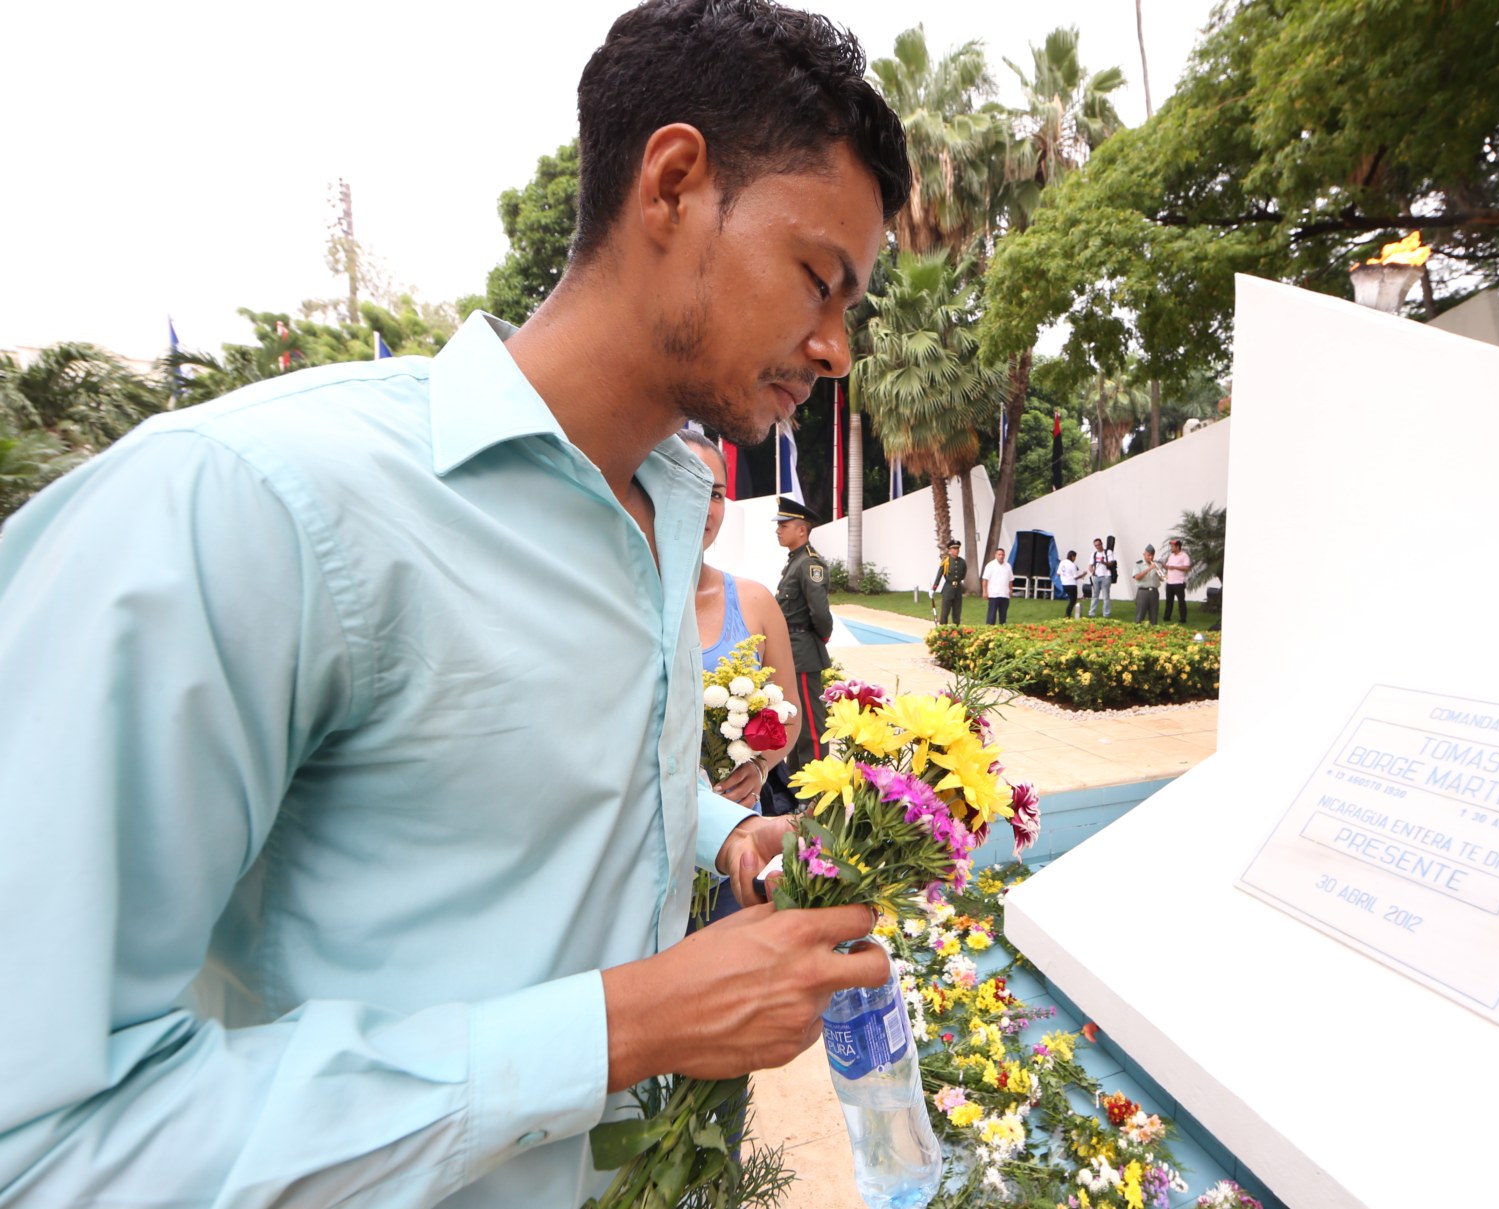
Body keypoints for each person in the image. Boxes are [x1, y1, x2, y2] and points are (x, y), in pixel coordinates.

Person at [0, 3, 909, 1205]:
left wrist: (721, 834)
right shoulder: (249, 504)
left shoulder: (658, 514)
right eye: (818, 280)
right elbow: (45, 1139)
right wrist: (622, 1029)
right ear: (673, 185)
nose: (835, 347)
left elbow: (556, 789)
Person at [680, 429, 799, 812]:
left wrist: (760, 767)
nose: (705, 506)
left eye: (715, 494)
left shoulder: (755, 602)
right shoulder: (620, 602)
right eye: (688, 483)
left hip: (736, 825)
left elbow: (790, 715)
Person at [776, 496, 834, 774]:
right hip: (793, 650)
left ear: (802, 530)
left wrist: (821, 638)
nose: (778, 530)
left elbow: (820, 614)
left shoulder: (810, 564)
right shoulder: (796, 561)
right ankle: (796, 783)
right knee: (794, 721)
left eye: (784, 525)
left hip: (803, 652)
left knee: (810, 724)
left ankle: (817, 787)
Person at [932, 538, 967, 625]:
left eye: (957, 548)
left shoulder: (962, 562)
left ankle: (956, 629)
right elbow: (939, 575)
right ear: (949, 550)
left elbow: (963, 575)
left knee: (957, 613)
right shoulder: (946, 561)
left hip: (958, 590)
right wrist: (934, 588)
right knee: (945, 613)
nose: (956, 550)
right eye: (954, 548)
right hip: (948, 589)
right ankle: (943, 629)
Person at [1162, 536, 1193, 622]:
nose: (1171, 548)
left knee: (1181, 601)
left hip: (1179, 582)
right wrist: (1163, 564)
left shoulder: (1184, 556)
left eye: (1172, 546)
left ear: (1178, 547)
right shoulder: (1171, 556)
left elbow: (1187, 568)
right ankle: (1167, 617)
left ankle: (1183, 618)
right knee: (1169, 600)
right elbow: (1168, 567)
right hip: (1169, 582)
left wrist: (1175, 567)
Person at [982, 546, 1014, 624]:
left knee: (1003, 615)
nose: (1001, 556)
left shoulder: (1008, 566)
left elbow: (1010, 580)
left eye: (1002, 554)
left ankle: (1002, 627)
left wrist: (1010, 590)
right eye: (999, 554)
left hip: (1004, 594)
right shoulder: (990, 565)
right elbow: (985, 579)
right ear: (995, 555)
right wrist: (984, 592)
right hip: (994, 594)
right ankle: (990, 628)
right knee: (992, 615)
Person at [1131, 543, 1162, 624]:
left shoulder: (1157, 564)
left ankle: (1153, 629)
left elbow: (1162, 578)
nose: (1150, 557)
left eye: (1152, 555)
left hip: (1154, 592)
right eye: (1148, 555)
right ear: (1144, 554)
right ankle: (1138, 629)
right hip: (1143, 592)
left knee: (1154, 615)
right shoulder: (1138, 564)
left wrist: (1159, 572)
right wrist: (1149, 569)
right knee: (1140, 615)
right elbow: (1137, 577)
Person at [1086, 537, 1113, 617]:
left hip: (1106, 576)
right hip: (1096, 577)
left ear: (1102, 544)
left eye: (1099, 545)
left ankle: (1106, 614)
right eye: (1096, 545)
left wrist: (1103, 562)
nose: (1098, 547)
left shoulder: (1108, 552)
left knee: (1106, 596)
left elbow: (1111, 563)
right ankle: (1092, 613)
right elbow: (1090, 566)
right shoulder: (1093, 554)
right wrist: (1092, 571)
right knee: (1095, 596)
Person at [1056, 549, 1082, 618]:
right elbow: (1075, 577)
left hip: (1064, 584)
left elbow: (1058, 573)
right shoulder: (1072, 565)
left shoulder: (1062, 563)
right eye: (1075, 557)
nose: (1075, 559)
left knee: (1071, 600)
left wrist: (1064, 575)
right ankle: (1067, 614)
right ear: (1072, 556)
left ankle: (1068, 614)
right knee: (1073, 601)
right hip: (1072, 584)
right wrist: (1083, 575)